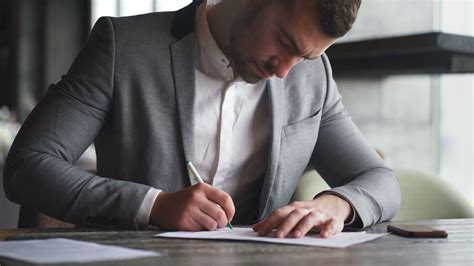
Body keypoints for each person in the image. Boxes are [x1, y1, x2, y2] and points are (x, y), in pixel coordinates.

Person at [3, 0, 400, 238]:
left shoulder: (311, 77)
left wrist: (336, 204)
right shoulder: (122, 47)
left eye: (306, 57)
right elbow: (28, 165)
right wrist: (153, 206)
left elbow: (380, 180)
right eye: (285, 42)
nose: (285, 72)